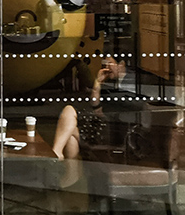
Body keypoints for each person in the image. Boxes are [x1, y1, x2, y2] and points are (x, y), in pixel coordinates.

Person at [51, 56, 132, 188]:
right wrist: (97, 83)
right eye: (105, 63)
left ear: (121, 64)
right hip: (104, 126)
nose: (106, 67)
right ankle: (61, 159)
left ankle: (61, 160)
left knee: (70, 127)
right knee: (69, 122)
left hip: (117, 133)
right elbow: (96, 108)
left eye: (110, 63)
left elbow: (120, 115)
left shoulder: (131, 83)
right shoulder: (111, 82)